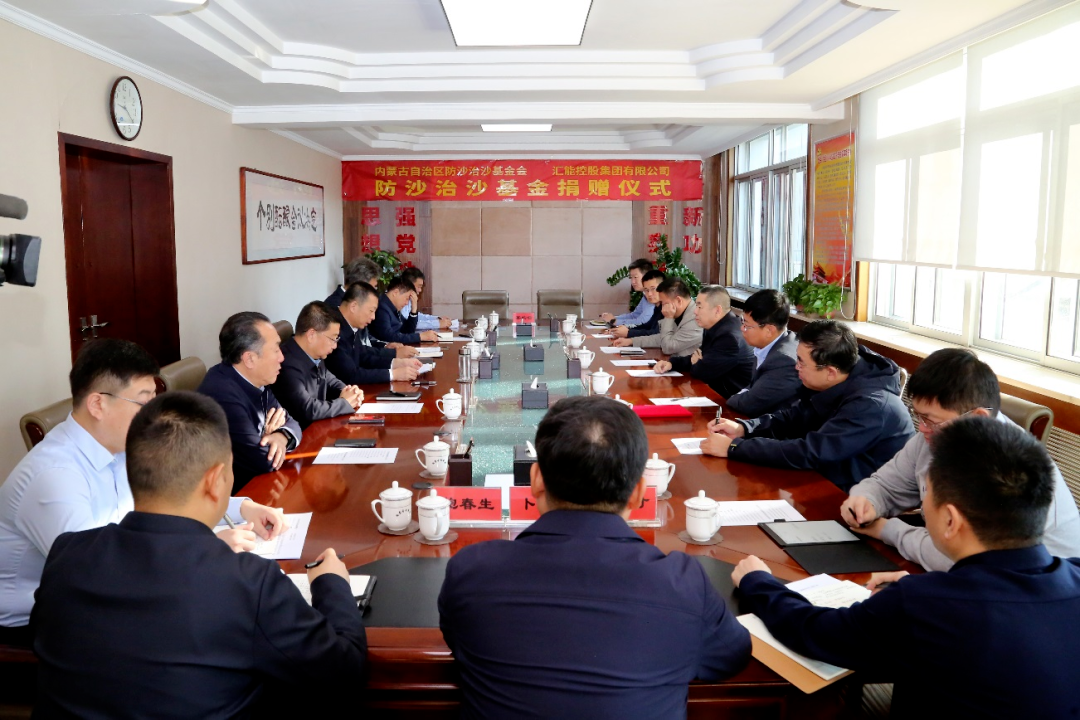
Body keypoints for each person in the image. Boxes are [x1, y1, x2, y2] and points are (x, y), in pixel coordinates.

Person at [31, 391, 367, 718]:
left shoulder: (66, 555)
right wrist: (331, 584)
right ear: (215, 480)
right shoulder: (248, 582)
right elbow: (344, 671)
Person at [732, 416, 1080, 718]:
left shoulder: (925, 604)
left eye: (927, 495)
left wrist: (758, 582)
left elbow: (814, 632)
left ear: (950, 520)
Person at [438, 396, 751, 719]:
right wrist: (759, 584)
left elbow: (458, 640)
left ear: (536, 480)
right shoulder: (683, 584)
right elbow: (731, 657)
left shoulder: (471, 570)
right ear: (639, 492)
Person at [0, 339, 282, 642]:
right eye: (143, 403)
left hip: (110, 594)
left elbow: (172, 499)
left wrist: (242, 508)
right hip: (38, 624)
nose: (153, 417)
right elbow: (98, 577)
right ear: (98, 404)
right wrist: (203, 551)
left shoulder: (119, 446)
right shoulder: (54, 476)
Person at [842, 348, 1080, 570]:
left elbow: (958, 557)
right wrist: (866, 501)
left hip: (1036, 588)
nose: (922, 428)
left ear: (978, 417)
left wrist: (888, 530)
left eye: (931, 420)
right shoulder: (934, 438)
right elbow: (886, 485)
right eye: (919, 416)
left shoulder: (1006, 469)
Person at [703, 320, 914, 491]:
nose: (796, 367)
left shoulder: (870, 405)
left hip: (861, 496)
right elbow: (795, 417)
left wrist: (734, 448)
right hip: (829, 476)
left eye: (801, 362)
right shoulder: (837, 377)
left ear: (830, 371)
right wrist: (745, 428)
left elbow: (812, 452)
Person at [198, 312, 303, 492]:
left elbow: (293, 423)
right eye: (276, 350)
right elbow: (263, 461)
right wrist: (267, 436)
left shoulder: (256, 379)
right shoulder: (222, 394)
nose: (282, 357)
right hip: (233, 495)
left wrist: (280, 436)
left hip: (258, 483)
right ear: (250, 359)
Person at [271, 301, 364, 429]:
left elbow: (330, 380)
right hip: (302, 435)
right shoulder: (286, 364)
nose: (335, 345)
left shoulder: (314, 354)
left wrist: (349, 392)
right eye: (333, 338)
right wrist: (345, 403)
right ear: (311, 335)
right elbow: (308, 409)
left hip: (319, 428)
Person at [654, 285, 754, 398]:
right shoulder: (717, 326)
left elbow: (702, 373)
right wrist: (672, 364)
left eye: (699, 307)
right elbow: (698, 357)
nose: (695, 312)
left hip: (727, 401)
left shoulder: (729, 337)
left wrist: (698, 363)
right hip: (710, 393)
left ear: (717, 310)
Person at [325, 282, 423, 384]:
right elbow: (350, 375)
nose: (373, 317)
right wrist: (393, 374)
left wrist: (395, 363)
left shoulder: (349, 323)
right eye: (371, 311)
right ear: (353, 306)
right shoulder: (332, 329)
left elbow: (363, 356)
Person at [725, 289, 801, 416]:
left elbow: (748, 404)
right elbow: (753, 388)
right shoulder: (767, 345)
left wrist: (733, 398)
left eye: (747, 325)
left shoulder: (783, 361)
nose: (742, 328)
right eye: (742, 321)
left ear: (769, 330)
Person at [326, 258, 418, 360]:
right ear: (361, 284)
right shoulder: (335, 307)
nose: (375, 292)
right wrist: (392, 357)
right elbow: (355, 352)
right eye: (374, 287)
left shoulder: (355, 300)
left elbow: (363, 342)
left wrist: (385, 346)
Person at [613, 278, 702, 356]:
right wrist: (631, 341)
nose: (662, 309)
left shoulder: (696, 320)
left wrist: (668, 318)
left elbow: (667, 347)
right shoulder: (681, 313)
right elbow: (662, 338)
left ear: (679, 300)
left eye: (664, 303)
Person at [370, 277, 439, 345]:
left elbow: (407, 331)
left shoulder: (392, 306)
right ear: (395, 293)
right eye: (406, 298)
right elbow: (388, 337)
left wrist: (414, 309)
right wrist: (419, 337)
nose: (406, 303)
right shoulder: (381, 307)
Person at [610, 269, 665, 340]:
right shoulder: (657, 307)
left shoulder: (668, 308)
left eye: (653, 289)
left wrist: (628, 333)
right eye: (646, 290)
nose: (649, 294)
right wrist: (617, 332)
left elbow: (655, 334)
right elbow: (646, 326)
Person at [600, 258, 654, 327]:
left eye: (635, 277)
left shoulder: (653, 296)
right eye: (631, 278)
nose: (633, 282)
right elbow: (634, 315)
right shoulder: (645, 295)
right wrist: (613, 318)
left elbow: (642, 322)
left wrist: (614, 321)